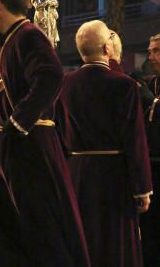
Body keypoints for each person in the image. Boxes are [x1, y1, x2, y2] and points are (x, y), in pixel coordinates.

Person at [0, 0, 90, 267]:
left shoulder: (29, 35)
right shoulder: (13, 39)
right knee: (3, 223)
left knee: (38, 224)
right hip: (14, 146)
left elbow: (51, 76)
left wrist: (17, 123)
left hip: (29, 146)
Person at [57, 19, 152, 267]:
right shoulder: (124, 85)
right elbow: (135, 139)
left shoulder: (65, 84)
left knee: (83, 238)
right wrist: (142, 188)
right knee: (113, 242)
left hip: (76, 172)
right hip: (113, 176)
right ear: (106, 49)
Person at [139, 33, 160, 266]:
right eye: (149, 51)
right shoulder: (150, 82)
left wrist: (151, 102)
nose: (151, 56)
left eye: (156, 51)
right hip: (151, 165)